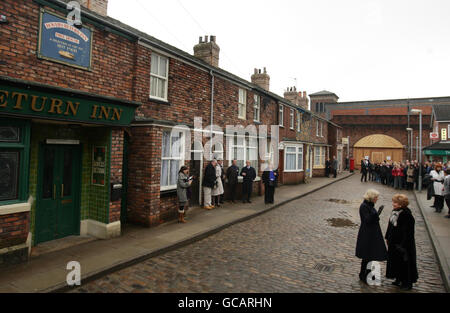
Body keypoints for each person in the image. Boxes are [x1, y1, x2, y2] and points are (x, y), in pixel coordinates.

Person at [385, 194, 418, 290]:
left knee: (405, 264)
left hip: (403, 244)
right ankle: (398, 278)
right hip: (394, 242)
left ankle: (407, 282)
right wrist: (387, 237)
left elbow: (408, 232)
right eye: (393, 202)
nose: (393, 204)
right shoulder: (395, 211)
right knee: (396, 261)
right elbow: (390, 225)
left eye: (395, 202)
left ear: (401, 204)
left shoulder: (406, 215)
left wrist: (402, 245)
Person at [355, 189, 387, 284]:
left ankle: (367, 273)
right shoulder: (364, 206)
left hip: (372, 233)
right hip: (367, 234)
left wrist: (376, 214)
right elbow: (367, 220)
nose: (377, 199)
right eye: (376, 197)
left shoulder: (369, 205)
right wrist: (376, 214)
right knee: (366, 255)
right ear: (371, 198)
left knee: (371, 255)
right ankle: (363, 274)